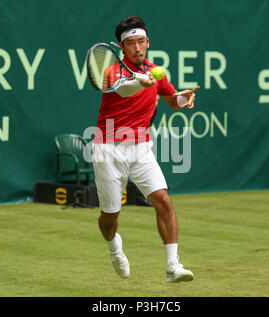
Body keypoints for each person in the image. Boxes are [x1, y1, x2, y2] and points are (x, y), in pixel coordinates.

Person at [91, 16, 199, 283]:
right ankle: (114, 247)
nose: (137, 48)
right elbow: (125, 90)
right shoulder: (113, 72)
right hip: (108, 149)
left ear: (147, 43)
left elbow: (172, 100)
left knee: (163, 200)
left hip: (141, 149)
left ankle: (173, 266)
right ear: (122, 47)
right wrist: (142, 81)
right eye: (130, 43)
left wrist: (185, 98)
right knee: (109, 217)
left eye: (141, 41)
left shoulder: (154, 70)